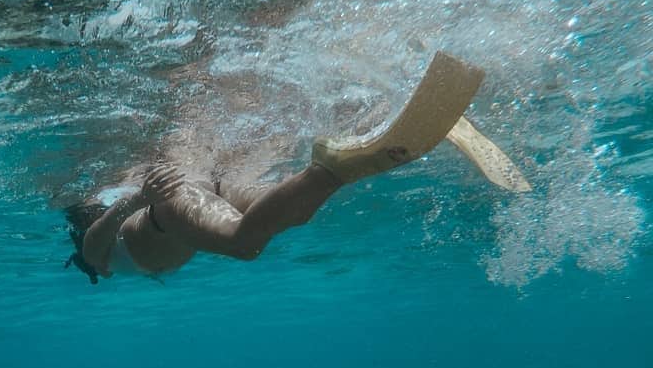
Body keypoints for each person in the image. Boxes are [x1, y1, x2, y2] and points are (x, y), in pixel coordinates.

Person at [65, 51, 529, 283]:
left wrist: (141, 199)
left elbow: (91, 245)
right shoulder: (114, 243)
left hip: (165, 207)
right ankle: (369, 119)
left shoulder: (99, 254)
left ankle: (333, 167)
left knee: (243, 242)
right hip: (205, 185)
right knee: (279, 208)